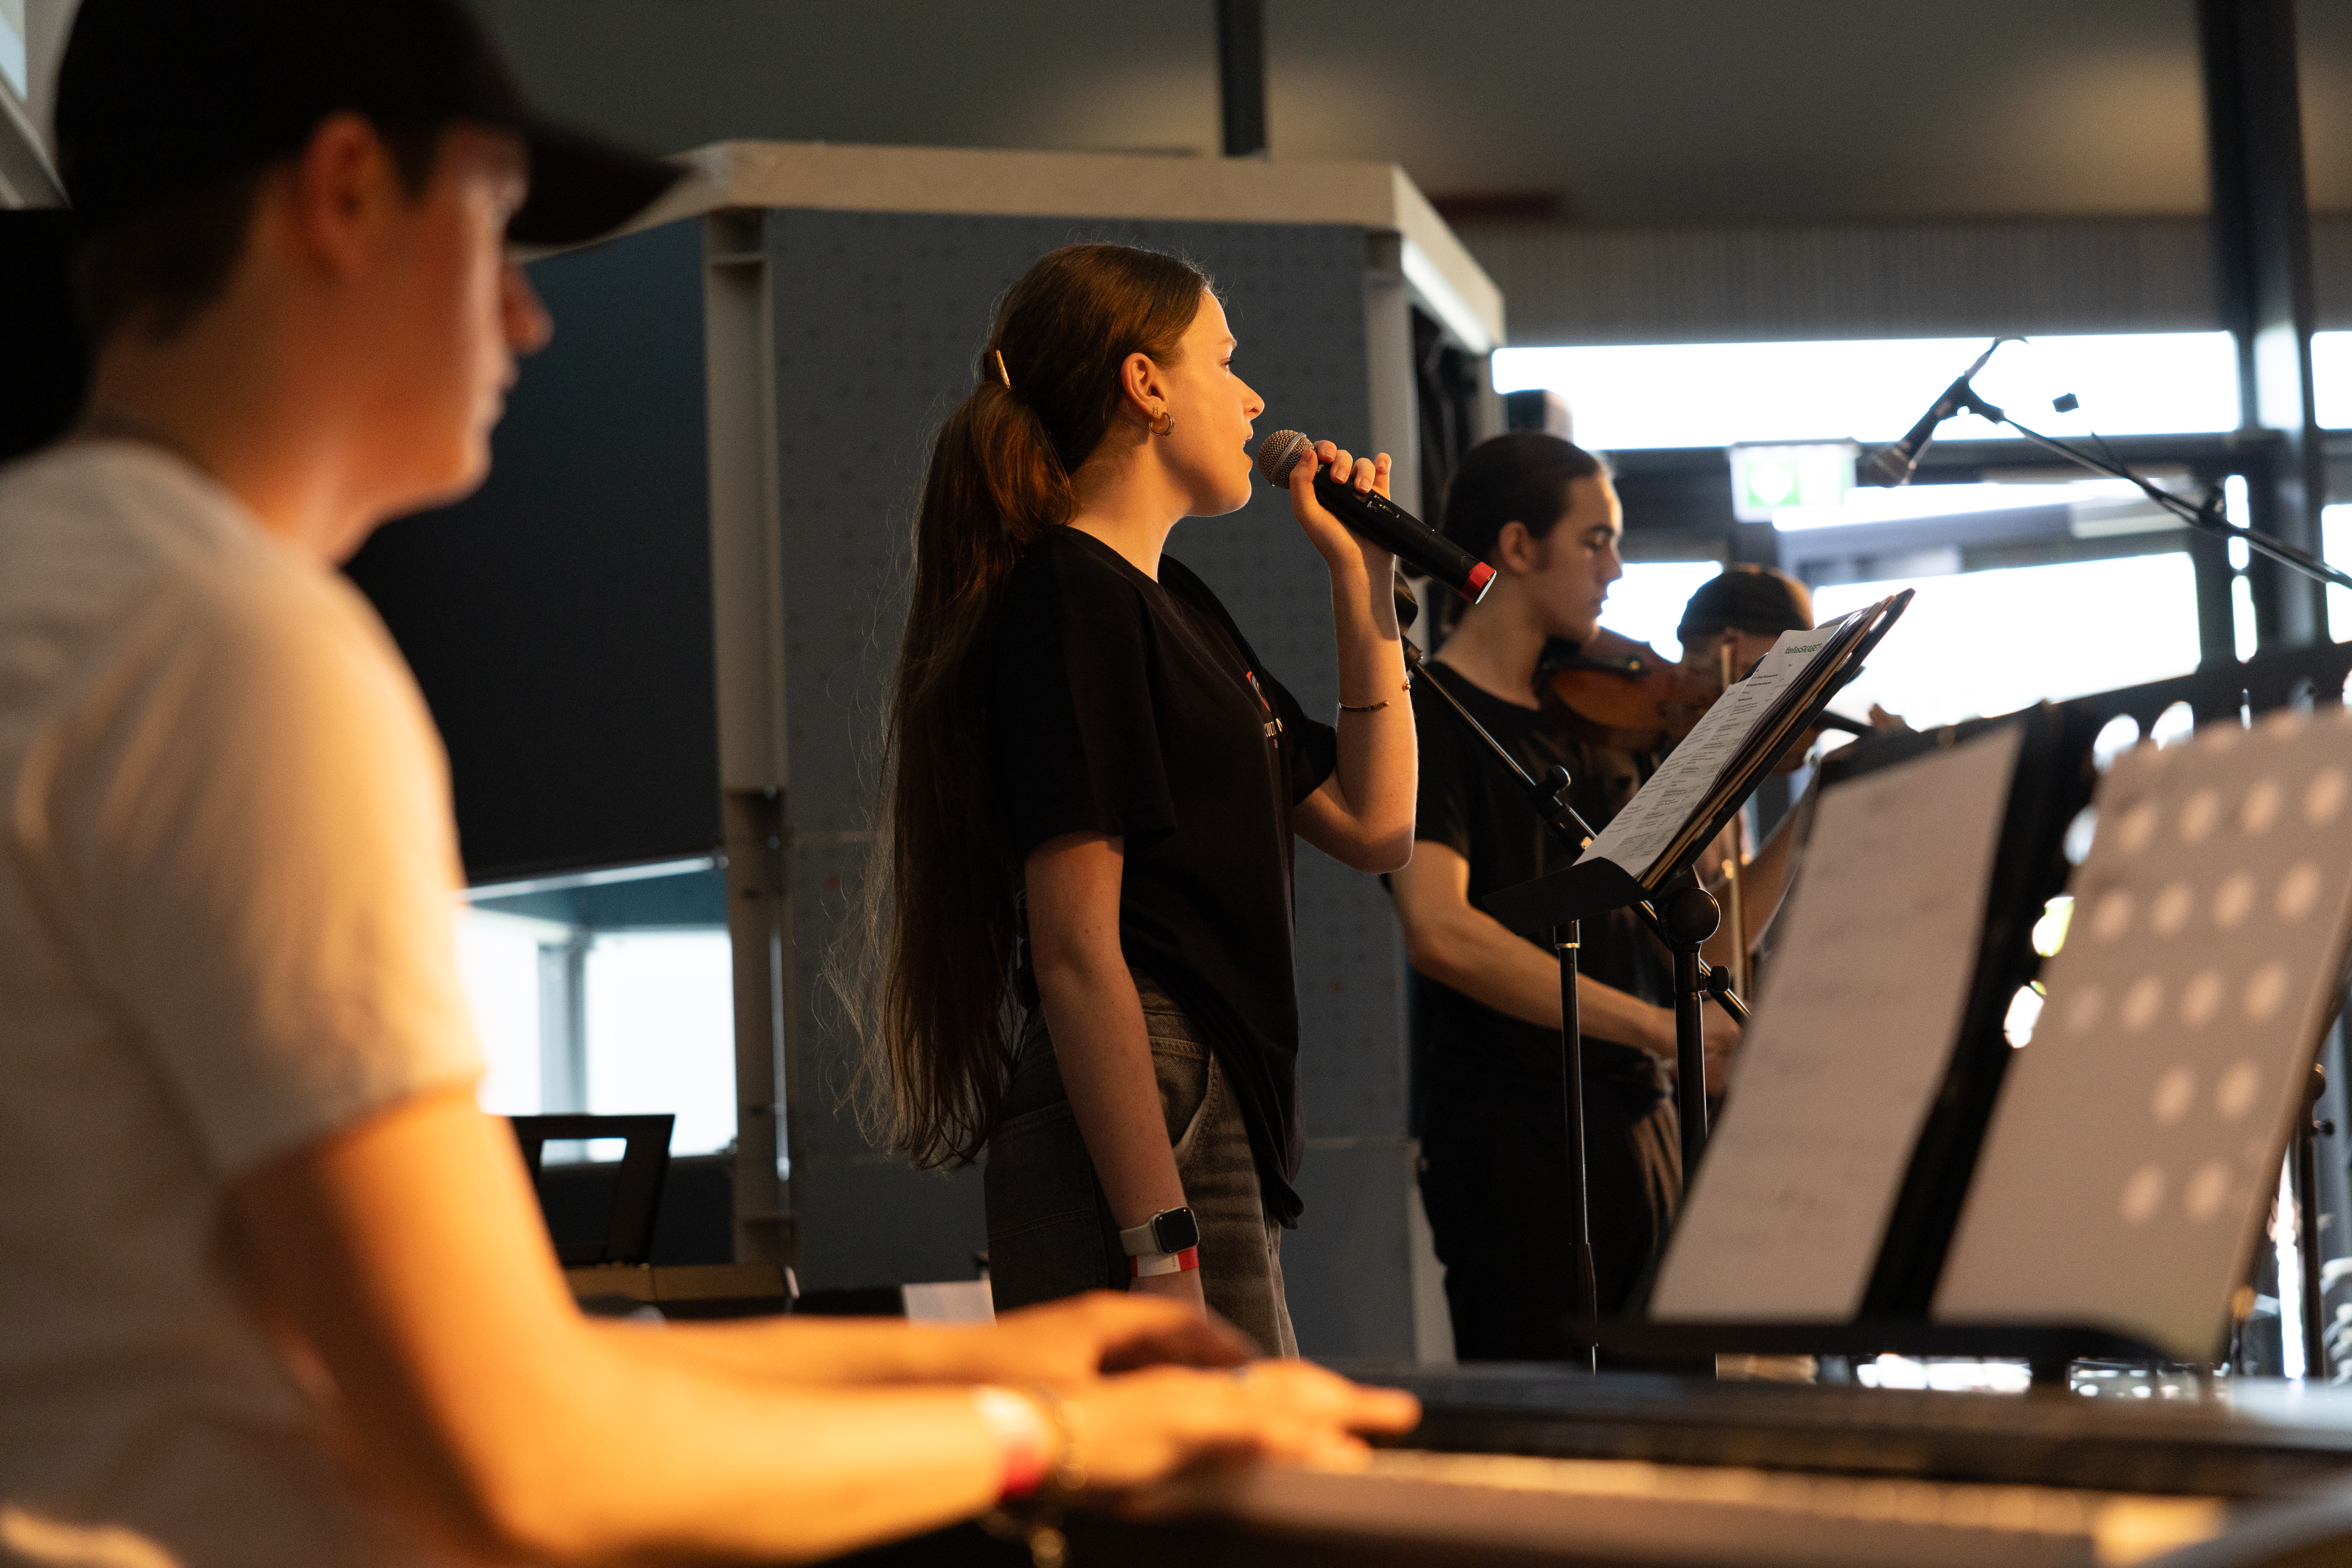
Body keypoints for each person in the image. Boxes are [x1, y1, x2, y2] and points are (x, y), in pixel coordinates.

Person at [0, 5, 1416, 1565]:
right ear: (345, 196)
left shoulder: (62, 588)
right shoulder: (240, 650)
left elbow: (480, 1357)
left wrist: (984, 1357)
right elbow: (523, 1452)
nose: (528, 323)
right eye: (499, 230)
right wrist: (1055, 1431)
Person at [846, 244, 1416, 1359]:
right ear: (1145, 384)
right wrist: (1161, 1252)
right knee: (1209, 1497)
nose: (1254, 397)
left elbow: (1375, 822)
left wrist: (1365, 586)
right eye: (1225, 360)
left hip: (1201, 1088)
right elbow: (1075, 950)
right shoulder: (1071, 597)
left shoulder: (1177, 604)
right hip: (1148, 1083)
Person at [1387, 434, 1805, 1359]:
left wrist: (1806, 823)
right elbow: (1442, 932)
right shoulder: (1432, 715)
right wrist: (1660, 1030)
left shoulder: (1609, 725)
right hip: (1515, 1136)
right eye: (1597, 540)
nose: (1617, 568)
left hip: (1641, 1121)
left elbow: (1701, 947)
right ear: (1520, 546)